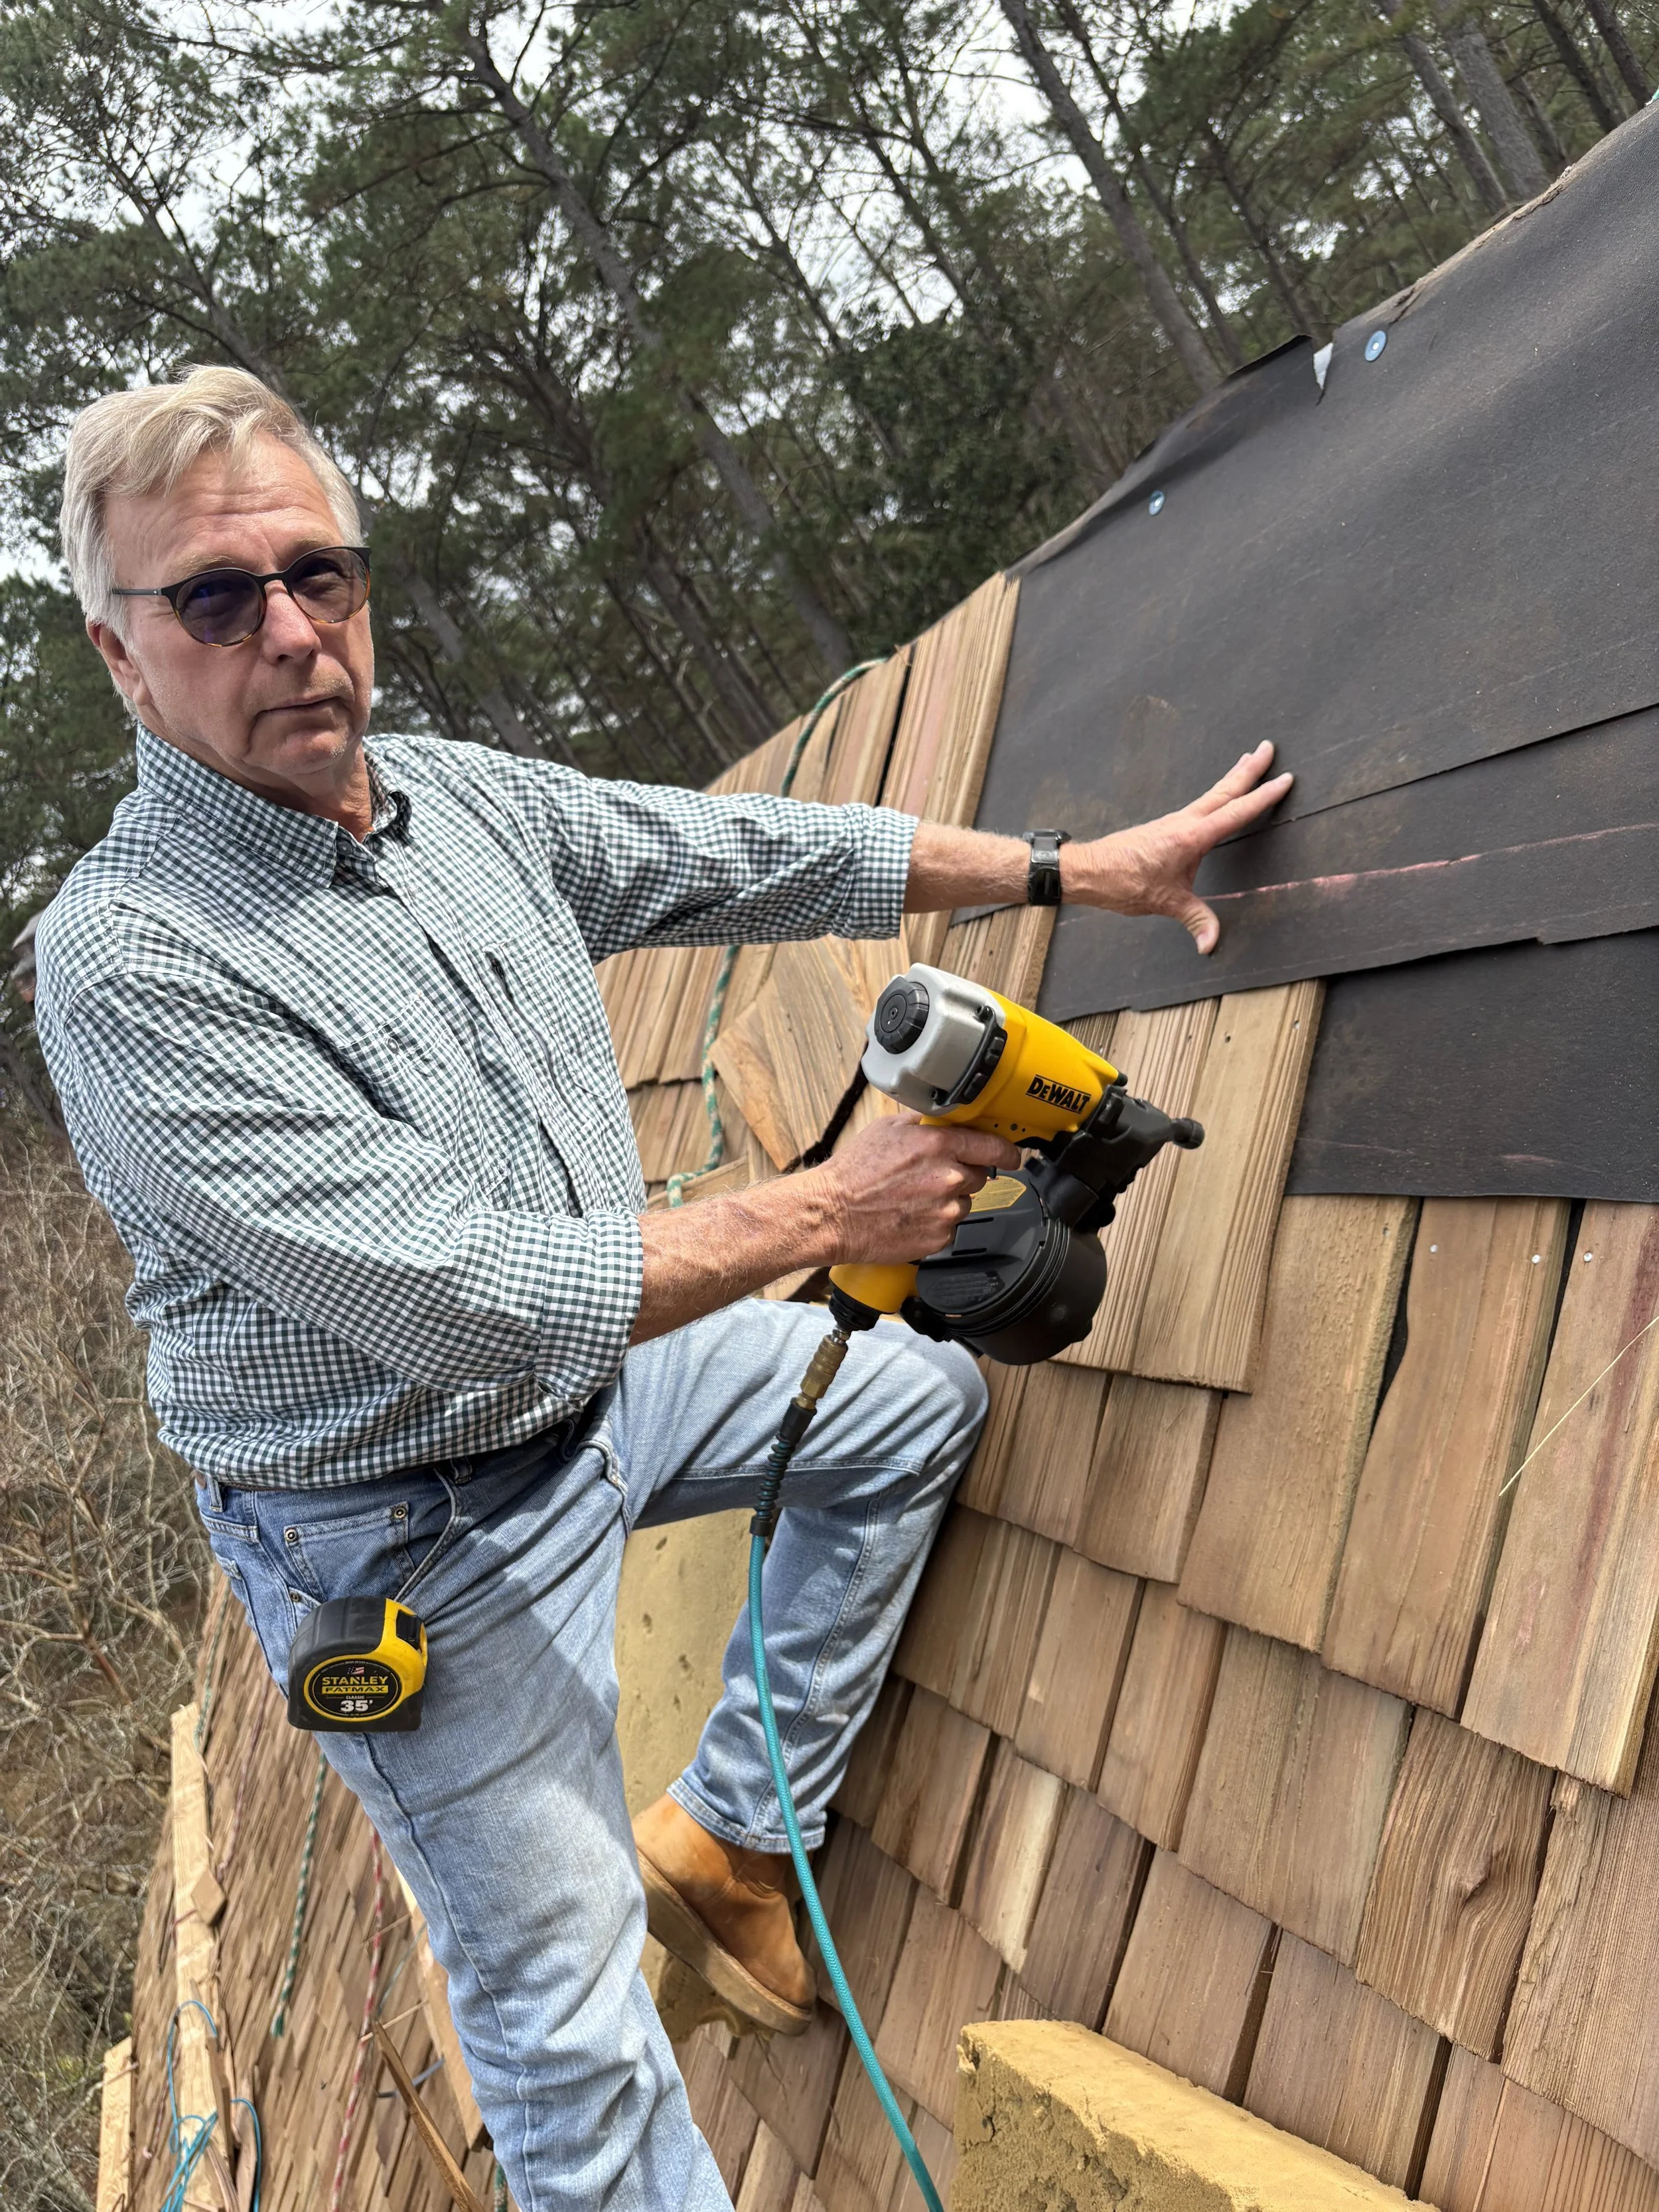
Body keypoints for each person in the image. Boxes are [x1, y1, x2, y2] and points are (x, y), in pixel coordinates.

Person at [35, 367, 1291, 2210]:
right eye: (218, 598)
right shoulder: (133, 963)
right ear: (122, 655)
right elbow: (467, 1298)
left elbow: (746, 855)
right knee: (570, 2047)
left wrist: (1053, 865)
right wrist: (827, 1206)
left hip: (600, 1395)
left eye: (325, 573)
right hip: (410, 1537)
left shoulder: (451, 801)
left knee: (905, 1403)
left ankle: (728, 1834)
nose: (294, 631)